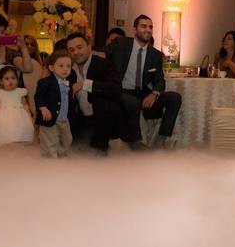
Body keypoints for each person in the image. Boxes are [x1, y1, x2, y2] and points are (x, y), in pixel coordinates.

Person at [106, 14, 183, 149]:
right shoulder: (121, 44)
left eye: (150, 27)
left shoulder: (156, 55)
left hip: (142, 93)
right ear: (134, 30)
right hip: (121, 91)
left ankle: (160, 141)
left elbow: (160, 81)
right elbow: (103, 51)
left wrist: (154, 94)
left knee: (175, 97)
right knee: (133, 102)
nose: (148, 30)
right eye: (143, 26)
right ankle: (136, 142)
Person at [66, 32, 123, 157]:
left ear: (89, 47)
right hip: (79, 121)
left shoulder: (105, 64)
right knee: (76, 156)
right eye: (71, 50)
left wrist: (86, 84)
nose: (75, 52)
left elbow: (115, 88)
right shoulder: (67, 69)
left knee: (97, 158)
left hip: (103, 118)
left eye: (79, 47)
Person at [34, 50, 74, 158]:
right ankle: (50, 164)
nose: (65, 69)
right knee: (49, 142)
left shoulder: (69, 83)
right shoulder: (45, 82)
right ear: (52, 68)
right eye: (61, 66)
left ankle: (61, 159)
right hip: (49, 119)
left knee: (67, 140)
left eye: (68, 66)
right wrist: (43, 108)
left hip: (64, 119)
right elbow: (38, 96)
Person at [0, 65, 34, 148]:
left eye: (13, 78)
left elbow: (25, 105)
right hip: (3, 120)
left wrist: (29, 117)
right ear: (1, 81)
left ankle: (17, 152)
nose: (10, 81)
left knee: (19, 137)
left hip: (20, 118)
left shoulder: (20, 92)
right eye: (7, 79)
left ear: (17, 80)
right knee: (5, 138)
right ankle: (7, 153)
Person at [0, 14, 35, 89]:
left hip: (11, 94)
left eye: (2, 32)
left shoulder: (11, 53)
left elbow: (28, 68)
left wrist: (23, 47)